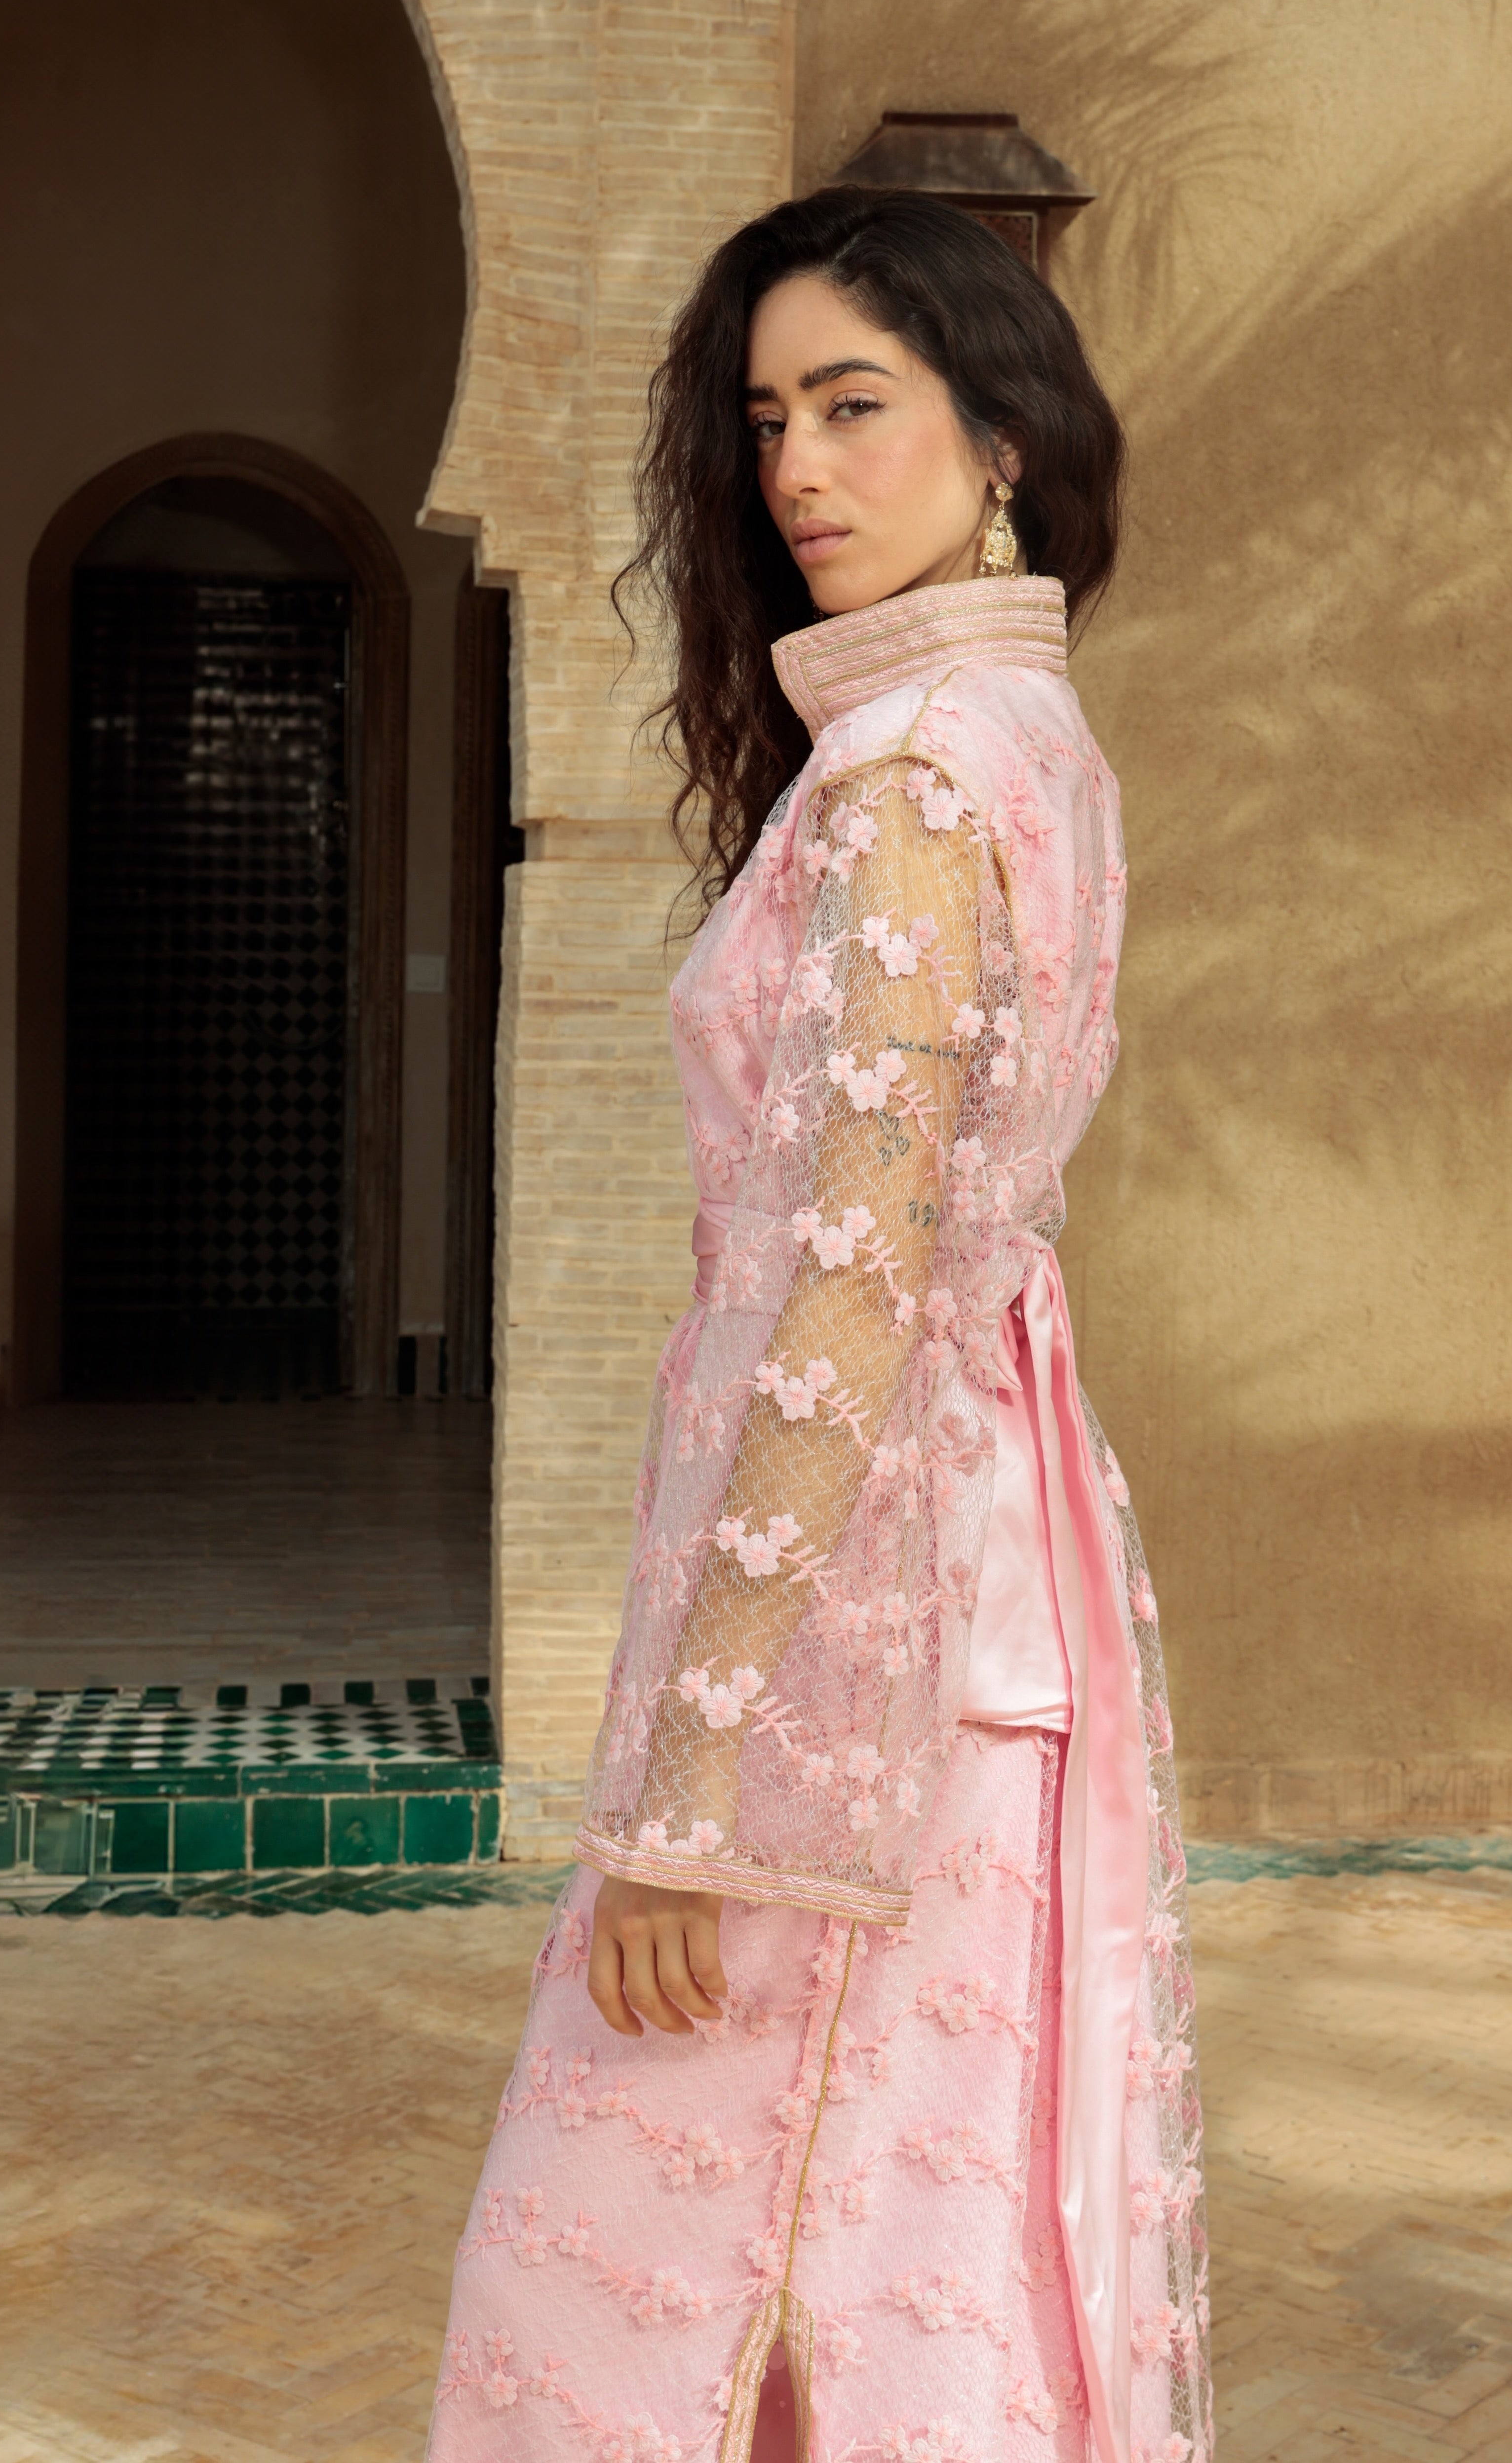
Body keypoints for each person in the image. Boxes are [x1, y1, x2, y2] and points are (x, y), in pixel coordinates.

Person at [426, 188, 1210, 2463]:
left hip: (861, 1660)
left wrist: (692, 1800)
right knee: (898, 2276)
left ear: (1005, 443)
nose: (796, 468)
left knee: (665, 2291)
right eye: (769, 418)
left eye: (856, 407)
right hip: (987, 1608)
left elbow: (838, 1300)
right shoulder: (1029, 740)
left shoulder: (907, 785)